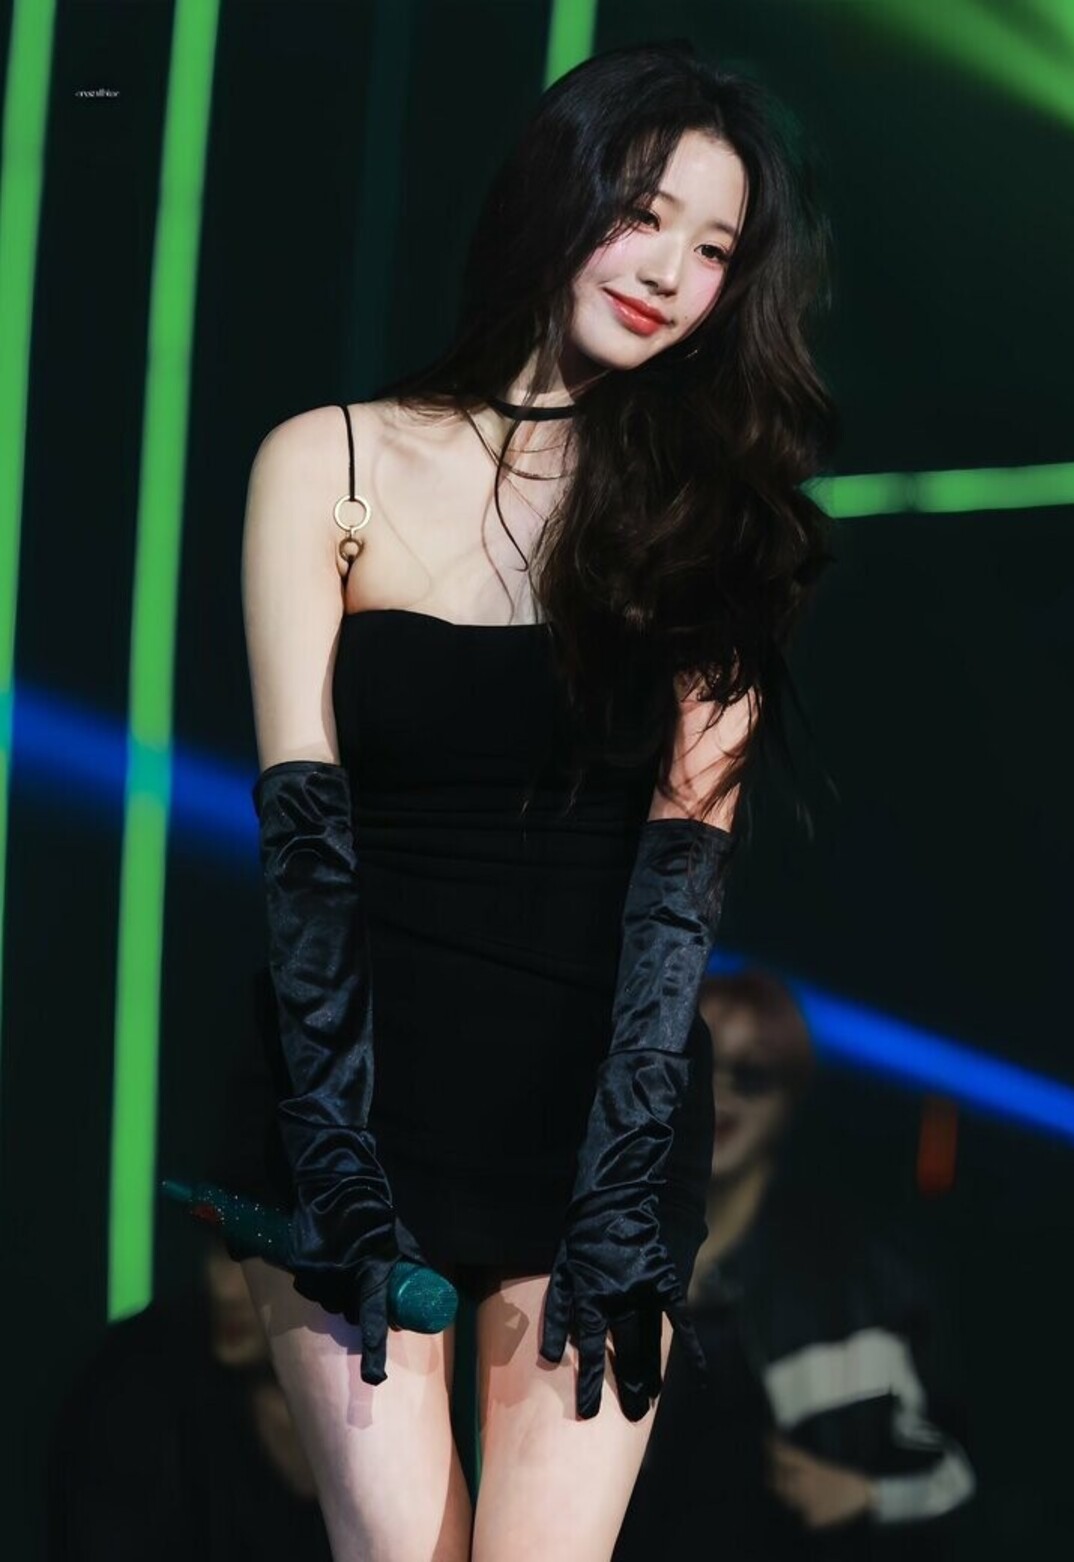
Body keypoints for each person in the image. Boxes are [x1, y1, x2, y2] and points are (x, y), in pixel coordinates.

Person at [235, 39, 838, 1561]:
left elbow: (681, 880)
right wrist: (334, 1155)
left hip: (595, 1129)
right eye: (643, 213)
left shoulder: (722, 518)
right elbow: (302, 839)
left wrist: (621, 1184)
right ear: (556, 194)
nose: (670, 273)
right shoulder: (328, 460)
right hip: (355, 1105)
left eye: (716, 249)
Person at [614, 970, 976, 1560]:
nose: (720, 1092)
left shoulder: (850, 1278)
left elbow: (954, 1474)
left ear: (790, 1099)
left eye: (752, 1075)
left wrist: (865, 1494)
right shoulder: (604, 1242)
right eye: (699, 1064)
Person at [47, 1232, 332, 1560]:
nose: (224, 1289)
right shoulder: (135, 1383)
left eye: (267, 1258)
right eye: (223, 1250)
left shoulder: (379, 1401)